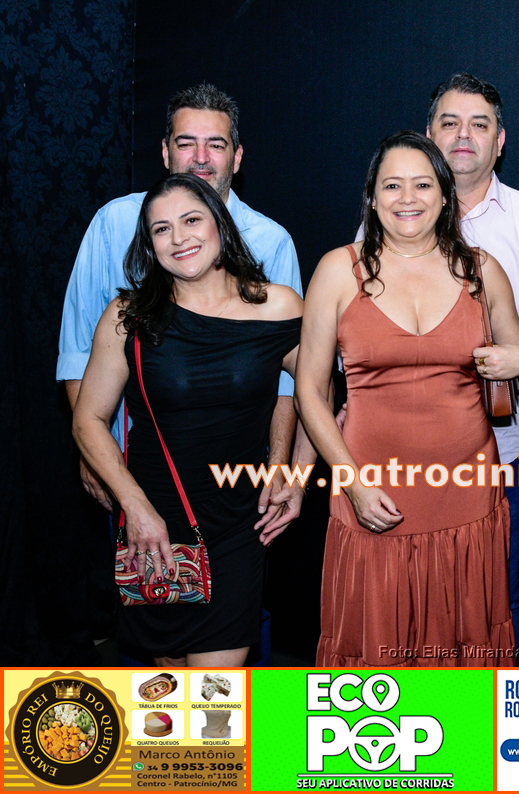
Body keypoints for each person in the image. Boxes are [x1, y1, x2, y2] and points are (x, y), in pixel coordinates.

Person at [296, 131, 519, 667]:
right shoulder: (338, 270)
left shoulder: (481, 270)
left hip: (466, 496)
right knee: (375, 654)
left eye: (423, 184)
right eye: (392, 185)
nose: (407, 198)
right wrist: (353, 484)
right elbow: (310, 391)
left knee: (462, 644)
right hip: (372, 493)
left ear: (445, 194)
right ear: (372, 197)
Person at [73, 173, 313, 667]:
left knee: (212, 696)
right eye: (161, 229)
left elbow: (315, 394)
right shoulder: (127, 317)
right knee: (166, 685)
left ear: (220, 224)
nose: (178, 237)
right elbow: (88, 419)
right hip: (154, 521)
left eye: (191, 220)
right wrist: (135, 508)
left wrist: (297, 476)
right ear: (149, 245)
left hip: (239, 520)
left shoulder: (278, 306)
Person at [59, 83, 303, 526]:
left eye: (216, 145)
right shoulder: (114, 222)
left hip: (239, 475)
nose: (201, 158)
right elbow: (79, 351)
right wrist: (96, 452)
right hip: (137, 466)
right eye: (186, 143)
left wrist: (283, 467)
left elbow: (295, 378)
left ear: (237, 157)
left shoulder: (272, 241)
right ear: (165, 152)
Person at [426, 74, 519, 656]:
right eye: (450, 123)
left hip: (502, 452)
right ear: (429, 134)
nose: (463, 136)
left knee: (493, 603)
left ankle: (493, 715)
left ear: (500, 140)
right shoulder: (389, 214)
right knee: (413, 601)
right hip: (401, 455)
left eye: (479, 124)